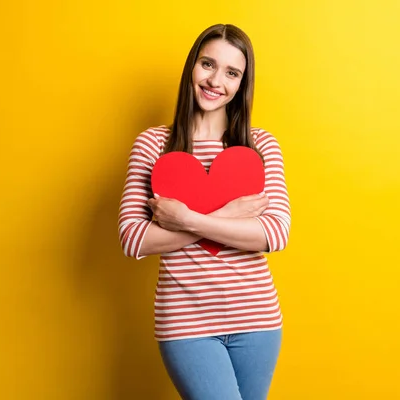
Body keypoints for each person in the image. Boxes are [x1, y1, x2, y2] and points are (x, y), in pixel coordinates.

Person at [118, 23, 291, 400]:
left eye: (232, 73)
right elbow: (133, 240)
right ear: (191, 68)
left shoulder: (260, 145)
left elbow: (275, 233)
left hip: (258, 318)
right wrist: (231, 215)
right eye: (208, 64)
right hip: (186, 323)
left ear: (242, 84)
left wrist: (186, 219)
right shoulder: (153, 145)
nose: (216, 80)